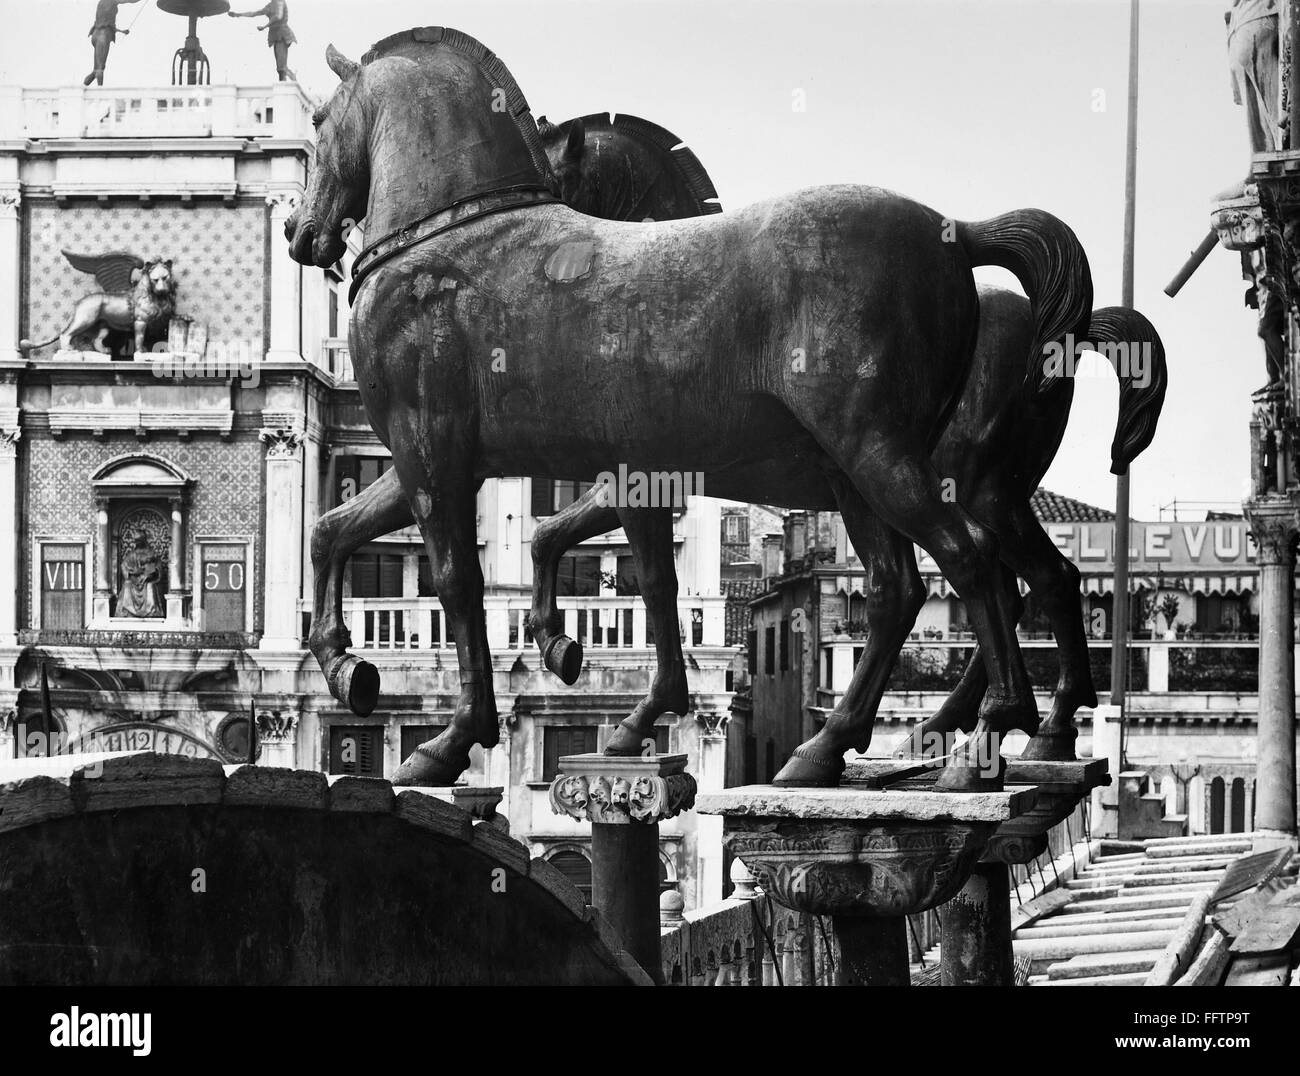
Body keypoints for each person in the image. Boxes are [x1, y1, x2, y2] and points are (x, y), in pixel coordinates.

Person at [230, 1, 296, 81]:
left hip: (282, 35)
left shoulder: (280, 1)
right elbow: (254, 13)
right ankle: (288, 82)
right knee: (280, 67)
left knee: (281, 66)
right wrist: (238, 14)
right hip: (275, 36)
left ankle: (290, 83)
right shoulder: (270, 5)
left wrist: (265, 26)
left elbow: (278, 16)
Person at [85, 0, 143, 87]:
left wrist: (121, 31)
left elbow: (106, 21)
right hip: (103, 35)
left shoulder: (102, 2)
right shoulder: (111, 1)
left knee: (96, 70)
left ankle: (83, 87)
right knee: (100, 69)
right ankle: (100, 94)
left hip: (97, 34)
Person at [115, 529, 163, 618]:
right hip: (134, 580)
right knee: (127, 584)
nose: (137, 543)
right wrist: (132, 573)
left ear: (144, 540)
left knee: (150, 586)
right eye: (136, 541)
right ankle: (127, 611)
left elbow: (156, 567)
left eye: (139, 541)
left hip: (147, 580)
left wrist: (149, 575)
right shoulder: (132, 554)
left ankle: (151, 611)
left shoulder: (151, 553)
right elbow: (124, 565)